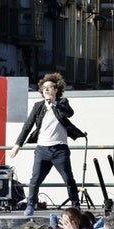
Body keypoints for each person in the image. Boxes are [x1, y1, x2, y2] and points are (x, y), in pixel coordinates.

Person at [9, 72, 86, 216]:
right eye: (44, 88)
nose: (46, 90)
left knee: (68, 178)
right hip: (42, 150)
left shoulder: (62, 103)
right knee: (35, 179)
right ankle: (31, 204)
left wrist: (54, 103)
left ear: (56, 90)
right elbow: (27, 126)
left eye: (49, 87)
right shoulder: (38, 106)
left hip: (60, 150)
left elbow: (69, 113)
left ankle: (75, 204)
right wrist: (17, 145)